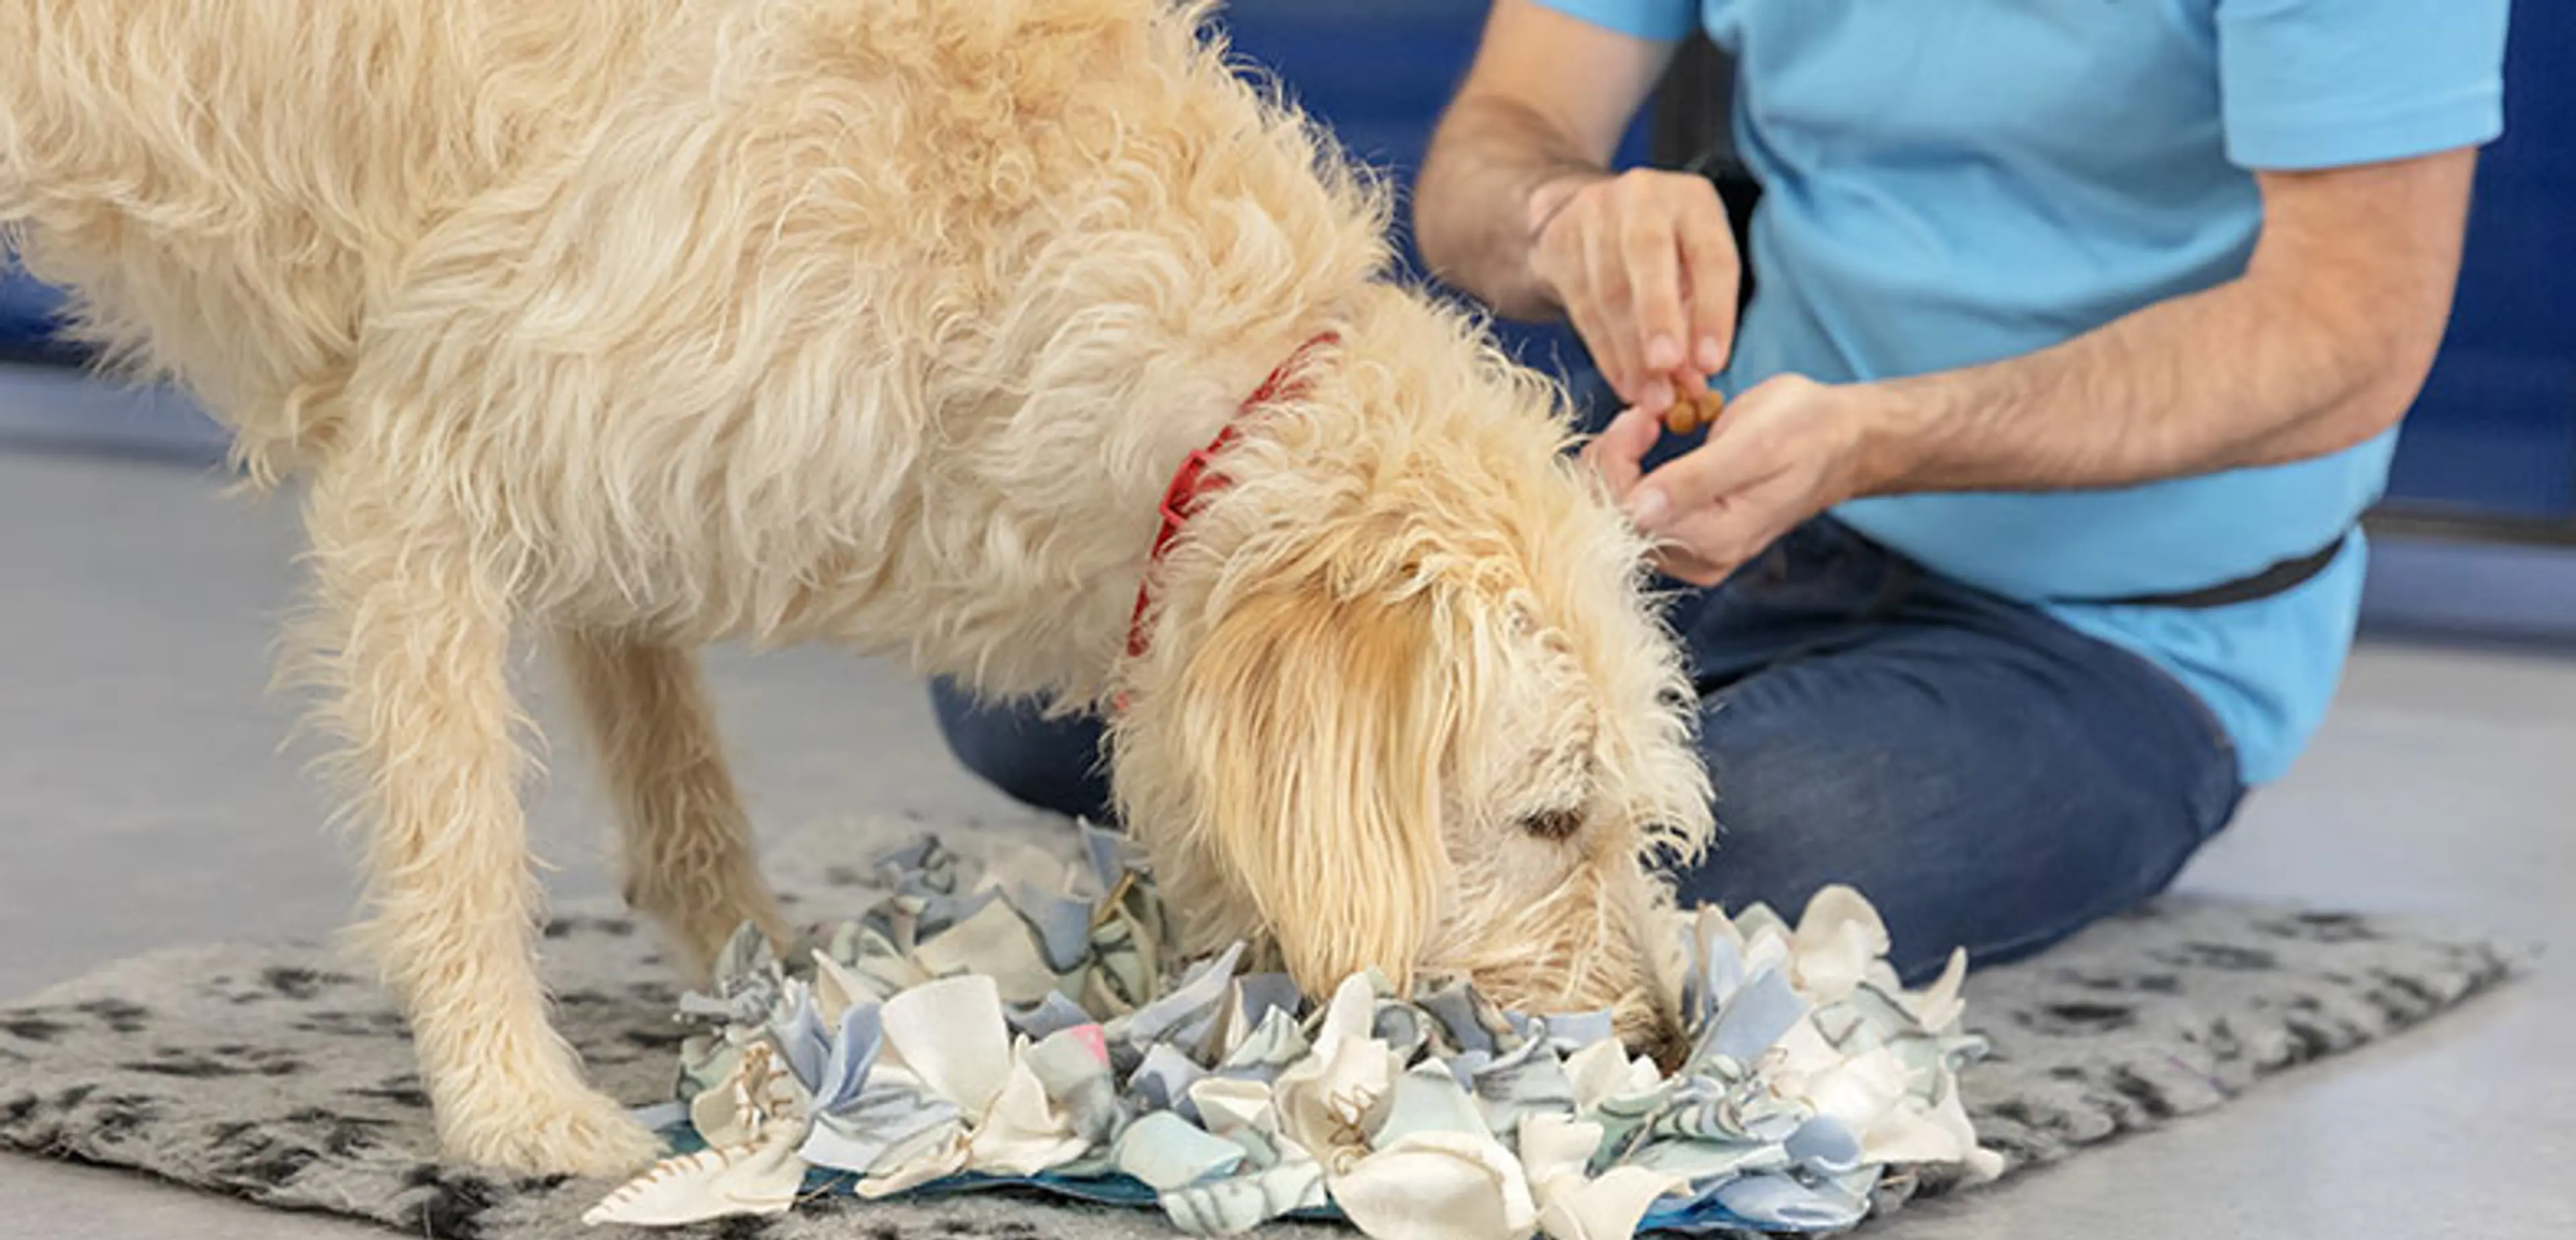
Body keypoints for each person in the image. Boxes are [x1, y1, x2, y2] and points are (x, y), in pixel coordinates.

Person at [929, 0, 2511, 981]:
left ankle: (1390, 844)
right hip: (1735, 497)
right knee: (1030, 690)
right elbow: (1490, 150)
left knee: (1683, 863)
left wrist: (1890, 434)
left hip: (2121, 632)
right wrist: (1565, 218)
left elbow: (2346, 338)